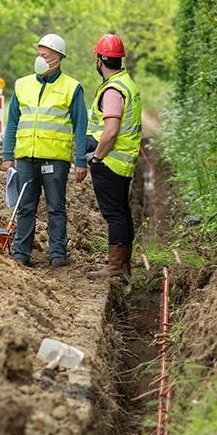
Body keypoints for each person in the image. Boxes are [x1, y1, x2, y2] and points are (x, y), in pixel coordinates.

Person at [1, 33, 88, 268]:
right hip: (26, 158)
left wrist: (81, 160)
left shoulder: (72, 87)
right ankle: (21, 253)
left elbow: (81, 125)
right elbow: (12, 122)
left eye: (45, 55)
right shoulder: (22, 84)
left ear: (57, 59)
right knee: (25, 207)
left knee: (55, 208)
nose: (39, 58)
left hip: (55, 159)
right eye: (38, 54)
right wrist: (8, 154)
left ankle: (58, 254)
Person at [85, 34, 141, 281]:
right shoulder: (126, 82)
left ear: (100, 60)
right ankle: (123, 264)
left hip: (110, 161)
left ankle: (115, 267)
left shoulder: (112, 90)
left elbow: (110, 131)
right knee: (122, 211)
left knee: (114, 214)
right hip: (124, 161)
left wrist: (97, 157)